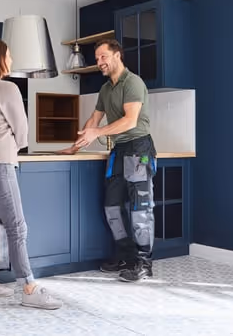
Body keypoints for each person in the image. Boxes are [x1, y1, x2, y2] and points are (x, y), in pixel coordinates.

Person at [0, 39, 62, 310]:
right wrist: (7, 148)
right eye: (9, 55)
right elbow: (23, 132)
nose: (12, 60)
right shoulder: (8, 88)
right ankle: (29, 287)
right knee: (17, 227)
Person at [58, 38, 157, 282]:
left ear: (117, 55)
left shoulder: (132, 82)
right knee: (112, 207)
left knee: (140, 210)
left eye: (103, 57)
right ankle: (126, 257)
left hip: (138, 149)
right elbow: (94, 119)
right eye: (97, 59)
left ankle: (144, 263)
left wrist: (99, 132)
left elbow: (130, 121)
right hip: (119, 150)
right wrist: (77, 145)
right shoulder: (106, 89)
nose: (99, 62)